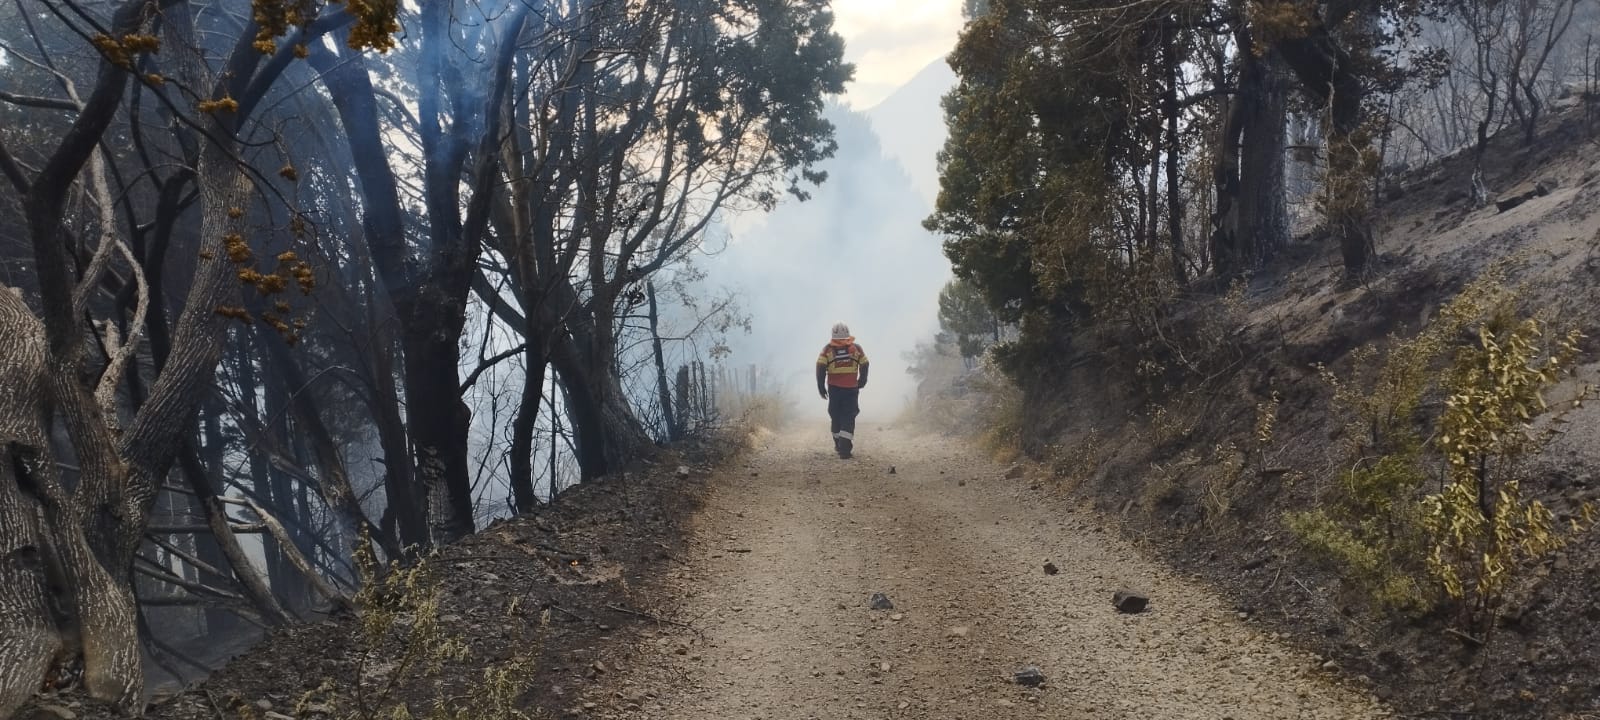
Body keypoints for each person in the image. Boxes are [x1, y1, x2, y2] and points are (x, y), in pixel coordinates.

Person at [816, 322, 869, 458]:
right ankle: (844, 448)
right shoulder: (856, 348)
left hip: (834, 390)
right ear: (848, 335)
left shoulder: (827, 350)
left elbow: (820, 367)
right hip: (851, 389)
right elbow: (865, 364)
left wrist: (821, 387)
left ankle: (839, 443)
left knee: (835, 415)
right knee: (848, 416)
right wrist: (862, 381)